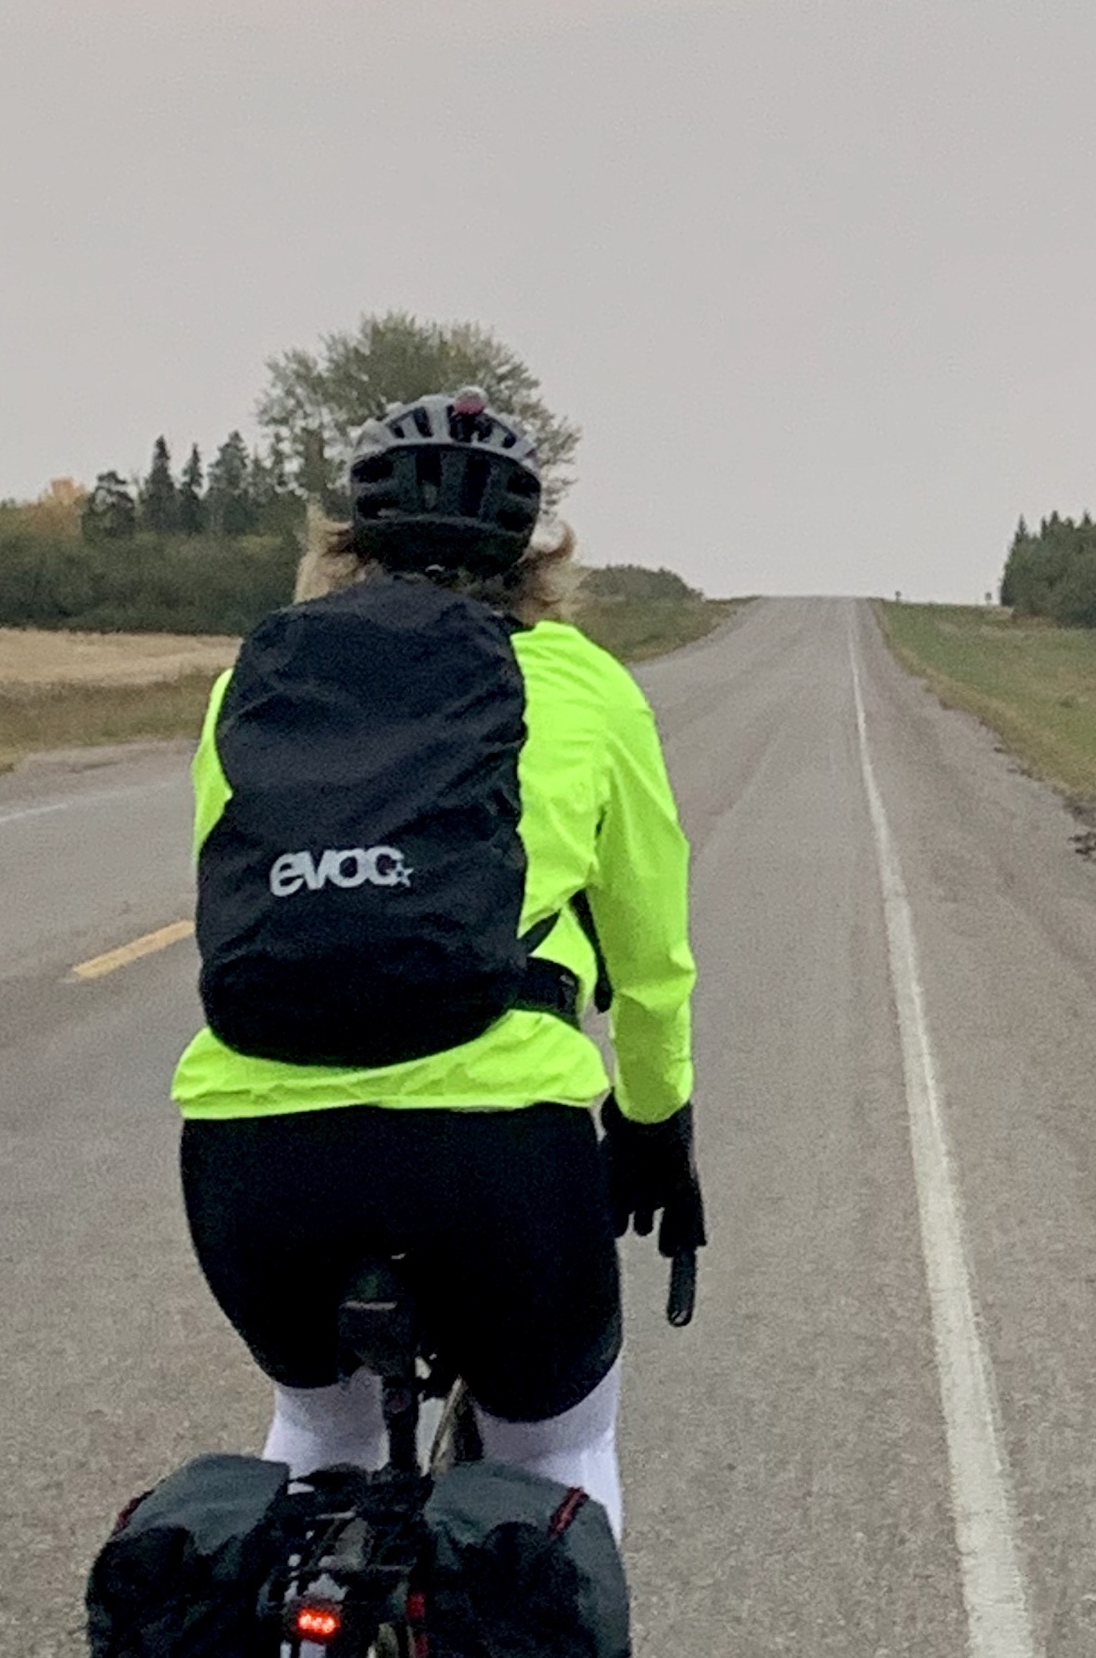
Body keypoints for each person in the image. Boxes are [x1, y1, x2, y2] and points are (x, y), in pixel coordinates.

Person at [172, 390, 702, 1560]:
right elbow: (652, 957)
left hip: (257, 1149)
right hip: (498, 1147)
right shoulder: (587, 686)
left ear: (344, 543)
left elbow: (232, 902)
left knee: (321, 1430)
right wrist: (654, 1123)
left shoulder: (259, 679)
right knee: (554, 1453)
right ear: (538, 558)